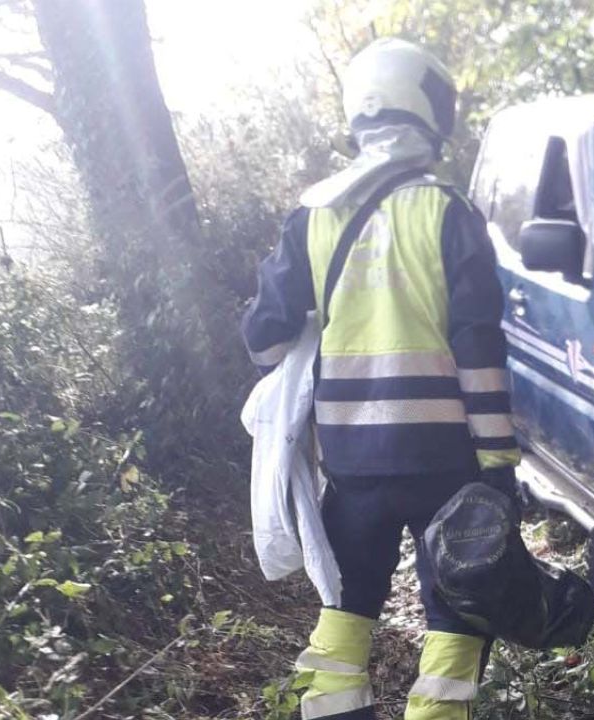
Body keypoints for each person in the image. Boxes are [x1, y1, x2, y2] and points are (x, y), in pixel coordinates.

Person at [241, 38, 520, 720]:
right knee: (456, 600)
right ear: (427, 110)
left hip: (353, 459)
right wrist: (498, 464)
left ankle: (332, 712)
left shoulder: (312, 213)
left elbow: (263, 338)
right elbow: (480, 349)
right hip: (445, 459)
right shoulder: (449, 213)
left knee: (347, 598)